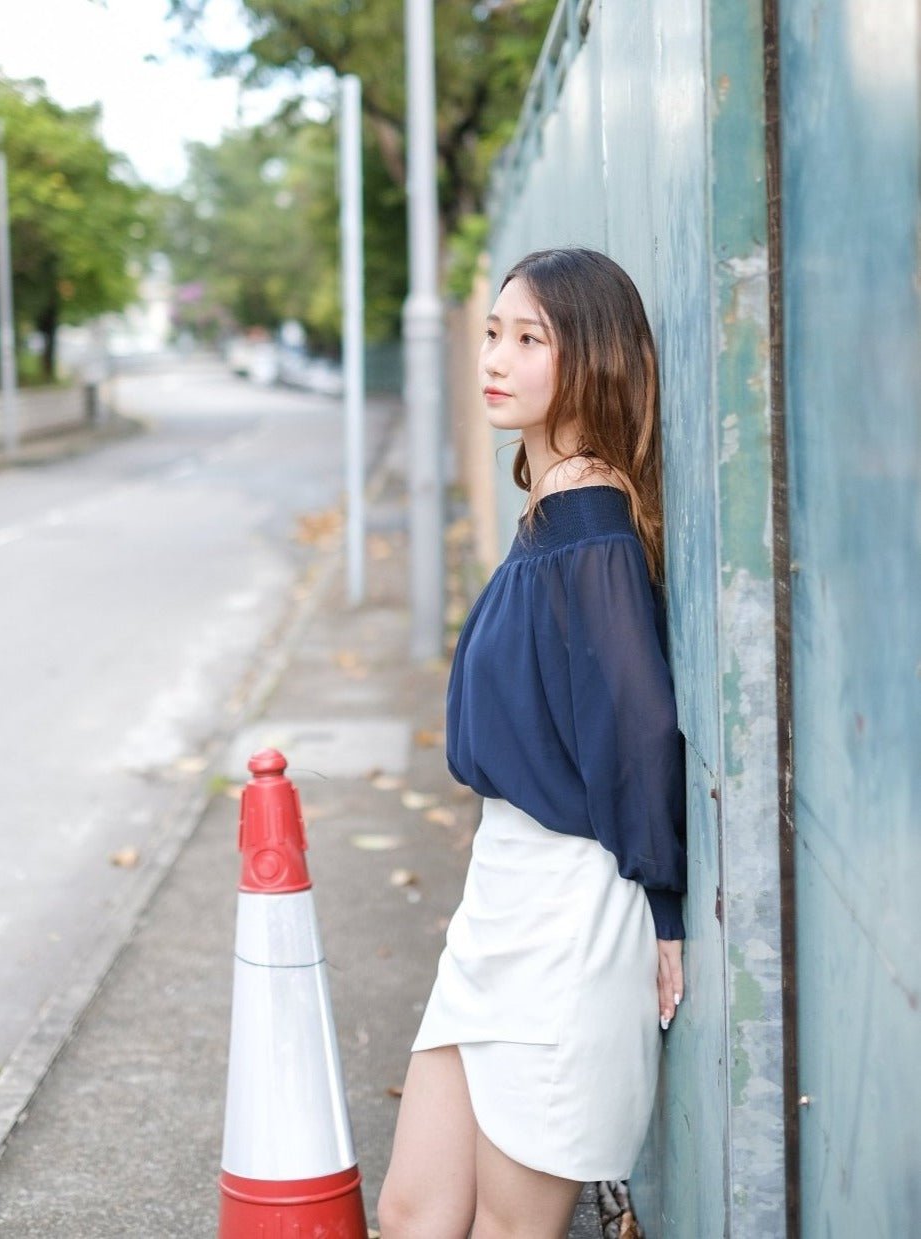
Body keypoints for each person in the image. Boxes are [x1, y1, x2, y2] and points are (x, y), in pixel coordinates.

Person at [378, 248, 687, 1239]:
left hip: (565, 909)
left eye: (529, 338)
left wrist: (664, 908)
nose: (495, 359)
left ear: (589, 359)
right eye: (493, 333)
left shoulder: (589, 523)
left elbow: (636, 732)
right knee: (415, 1210)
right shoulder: (550, 504)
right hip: (500, 892)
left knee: (513, 1229)